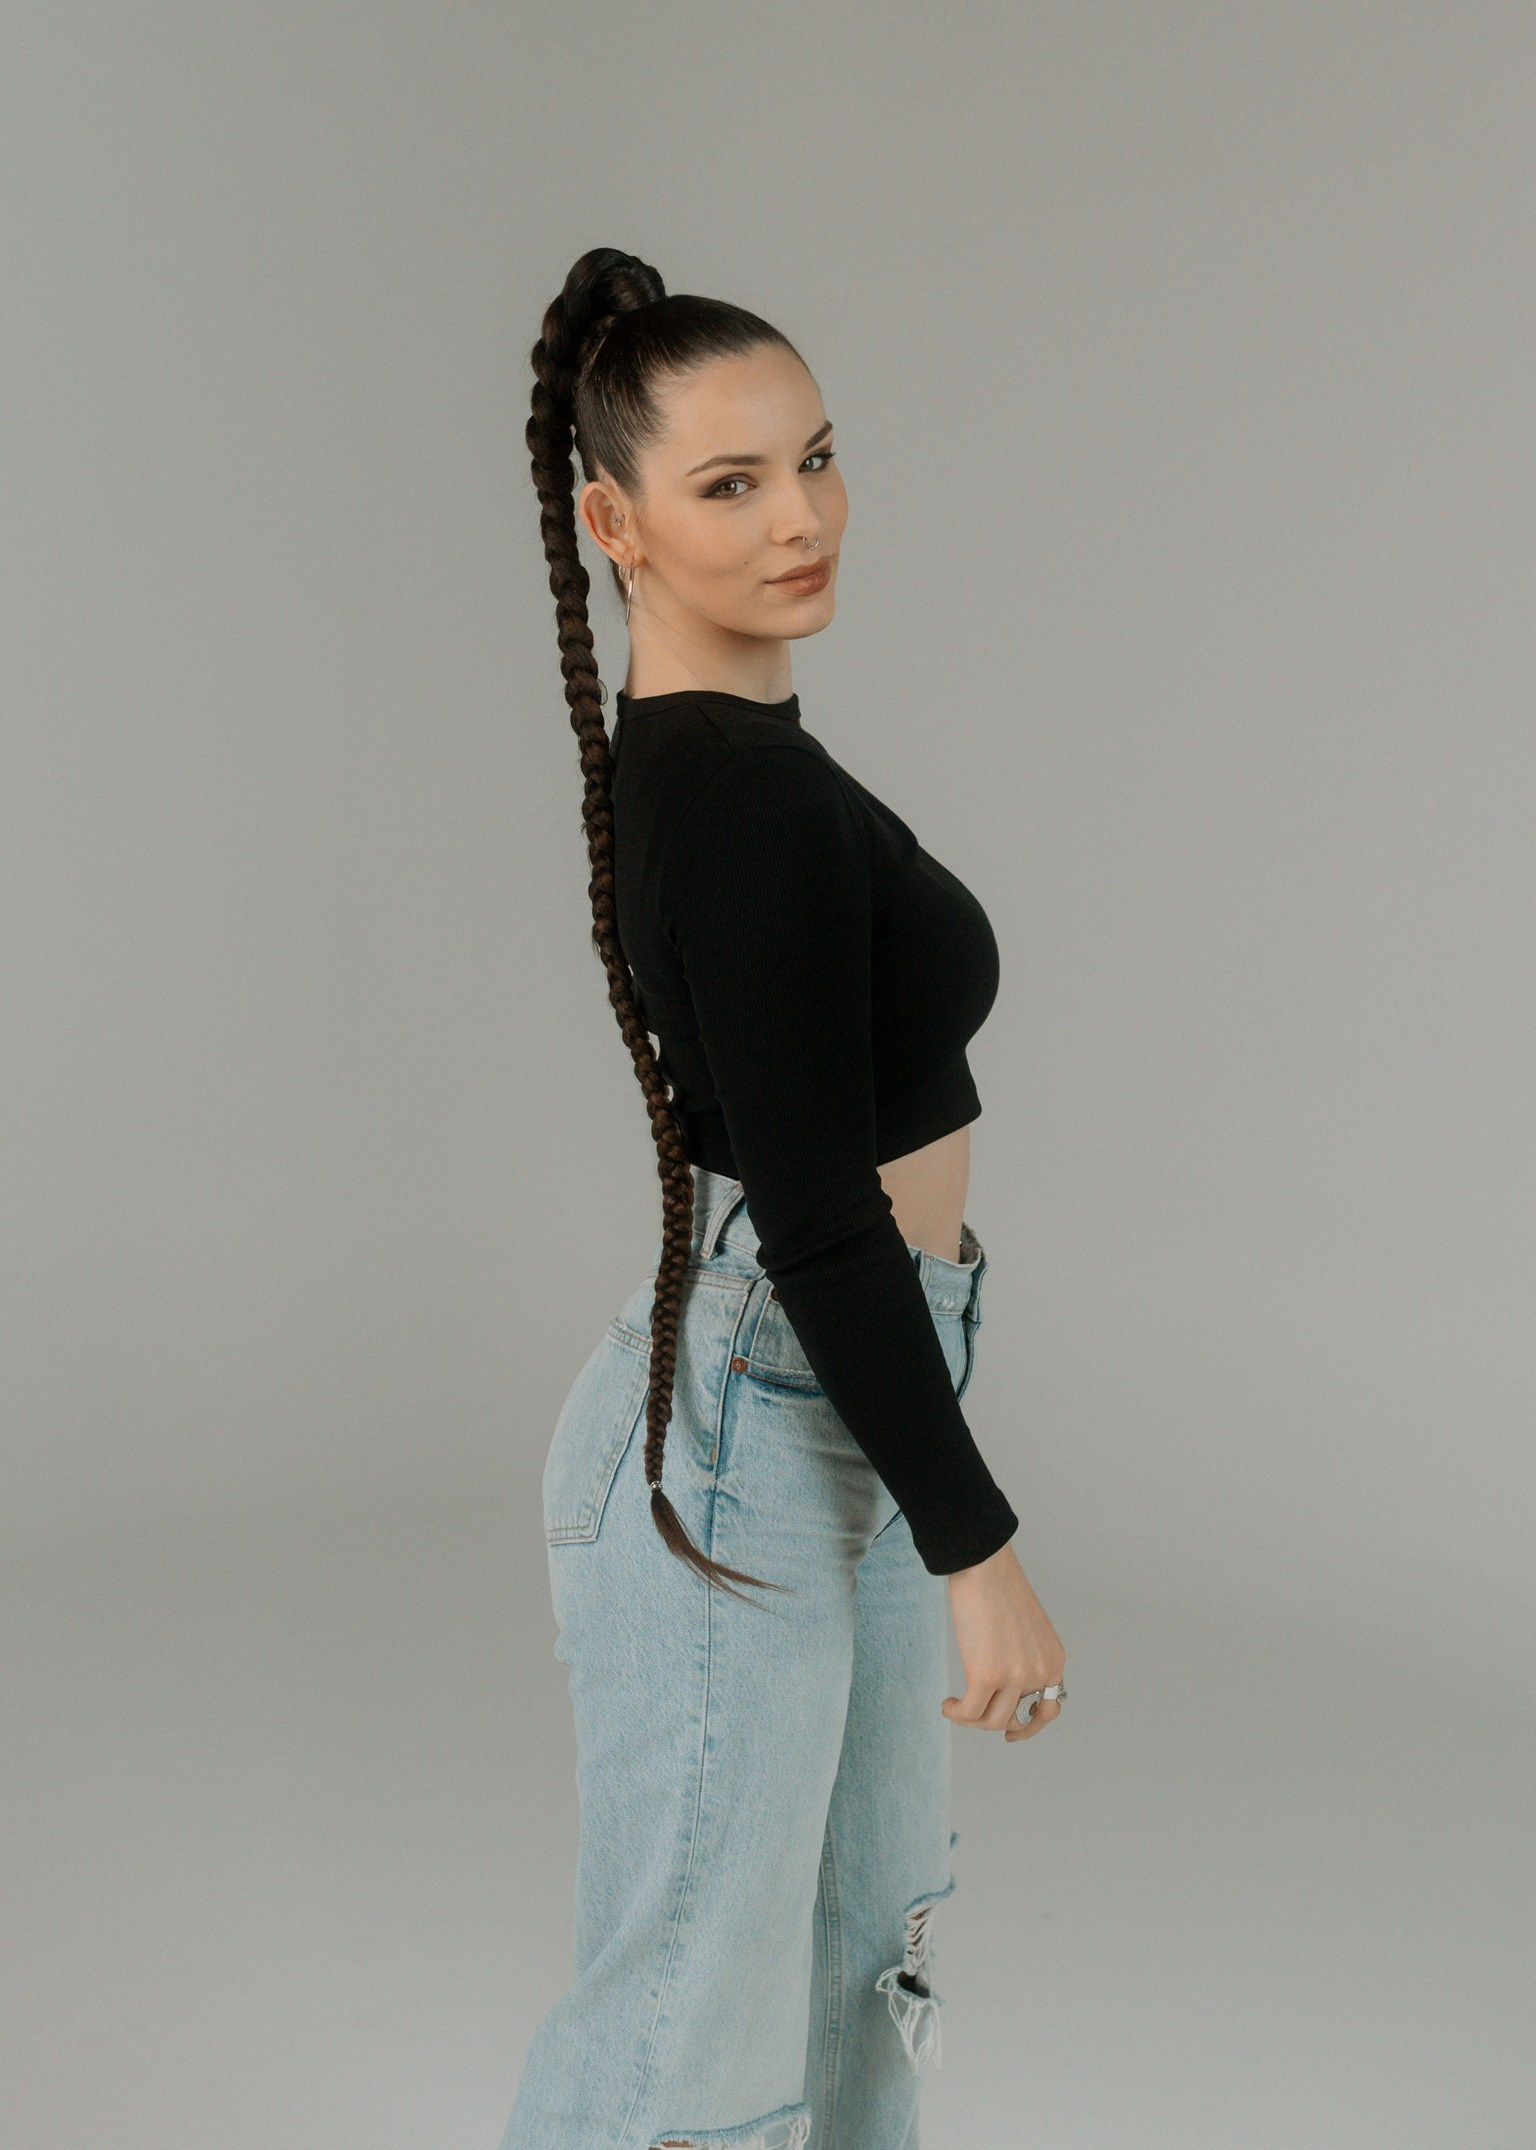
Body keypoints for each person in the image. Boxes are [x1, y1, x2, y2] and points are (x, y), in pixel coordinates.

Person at [497, 247, 1066, 2150]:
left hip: (840, 1393)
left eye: (816, 459)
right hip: (761, 1418)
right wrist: (977, 1545)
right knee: (683, 2030)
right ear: (617, 524)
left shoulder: (737, 764)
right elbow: (819, 1212)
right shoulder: (736, 794)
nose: (801, 518)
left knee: (859, 1974)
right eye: (731, 484)